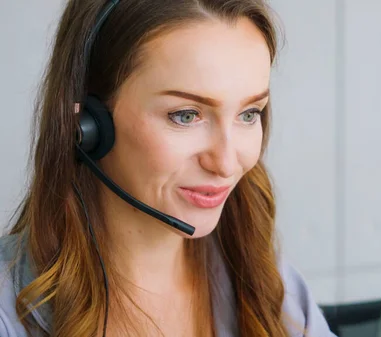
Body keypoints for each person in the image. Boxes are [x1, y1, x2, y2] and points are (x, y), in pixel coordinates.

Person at [0, 0, 336, 336]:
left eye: (249, 114)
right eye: (186, 115)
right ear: (88, 124)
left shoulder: (265, 280)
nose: (226, 163)